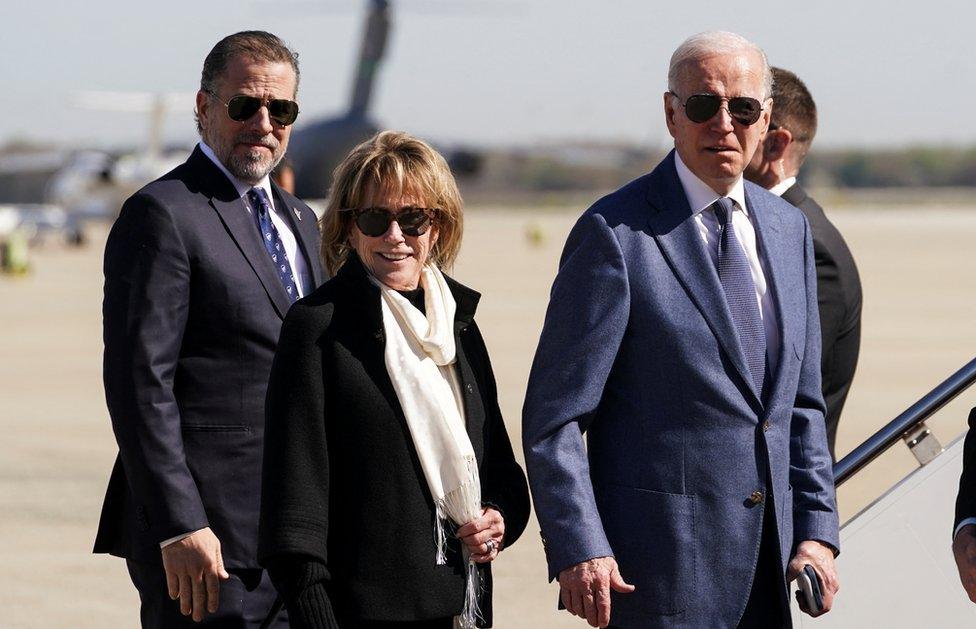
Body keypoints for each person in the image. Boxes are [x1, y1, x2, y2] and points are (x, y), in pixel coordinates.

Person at [522, 31, 840, 628]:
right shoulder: (613, 235)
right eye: (702, 104)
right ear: (671, 113)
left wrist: (818, 531)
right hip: (657, 580)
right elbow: (554, 419)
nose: (723, 122)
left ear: (766, 119)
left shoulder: (788, 230)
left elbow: (802, 405)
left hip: (773, 579)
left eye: (742, 108)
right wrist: (580, 545)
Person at [94, 31, 323, 627]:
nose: (264, 122)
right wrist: (180, 523)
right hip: (209, 547)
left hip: (299, 542)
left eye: (282, 110)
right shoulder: (164, 214)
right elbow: (140, 385)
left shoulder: (302, 221)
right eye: (245, 105)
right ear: (203, 107)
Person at [257, 130, 530, 628]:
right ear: (348, 229)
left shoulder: (460, 326)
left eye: (413, 218)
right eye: (375, 218)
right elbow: (292, 515)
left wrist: (497, 517)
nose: (395, 236)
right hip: (359, 615)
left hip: (463, 611)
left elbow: (504, 475)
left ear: (439, 228)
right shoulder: (318, 327)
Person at [745, 67, 862, 461]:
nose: (722, 127)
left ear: (776, 142)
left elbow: (784, 388)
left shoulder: (811, 245)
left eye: (746, 115)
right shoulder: (753, 225)